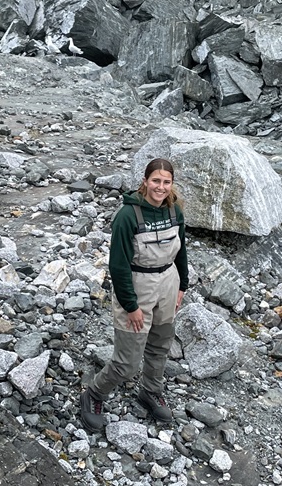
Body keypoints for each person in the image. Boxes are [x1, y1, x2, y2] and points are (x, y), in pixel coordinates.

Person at [80, 158, 188, 432]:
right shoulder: (127, 217)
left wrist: (182, 286)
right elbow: (117, 266)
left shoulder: (175, 211)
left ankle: (151, 390)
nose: (160, 187)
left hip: (168, 283)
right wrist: (131, 306)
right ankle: (94, 393)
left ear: (171, 184)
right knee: (127, 364)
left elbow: (182, 251)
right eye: (156, 181)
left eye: (166, 182)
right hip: (137, 287)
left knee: (161, 346)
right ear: (145, 181)